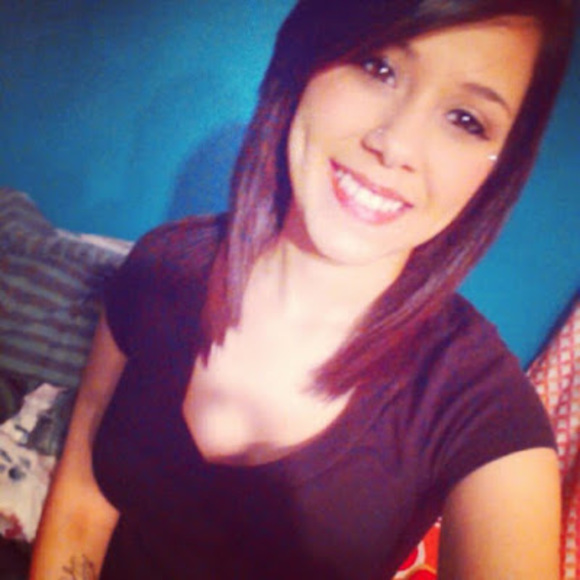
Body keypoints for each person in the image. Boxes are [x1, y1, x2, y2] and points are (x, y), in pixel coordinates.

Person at [31, 0, 575, 578]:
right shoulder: (162, 265)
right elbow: (84, 504)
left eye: (466, 119)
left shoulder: (479, 407)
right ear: (309, 57)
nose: (395, 145)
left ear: (499, 169)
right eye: (379, 67)